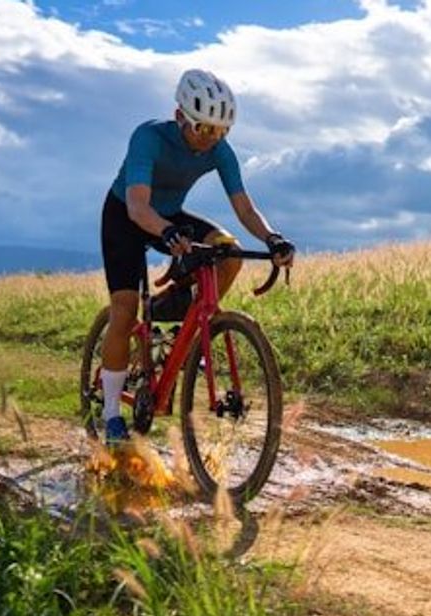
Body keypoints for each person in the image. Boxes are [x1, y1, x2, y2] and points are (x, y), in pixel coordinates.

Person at [99, 68, 295, 446]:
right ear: (180, 117)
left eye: (220, 132)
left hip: (170, 215)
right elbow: (139, 209)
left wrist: (272, 238)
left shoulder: (220, 151)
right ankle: (110, 415)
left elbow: (244, 207)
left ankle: (185, 331)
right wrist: (166, 231)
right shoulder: (148, 138)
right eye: (203, 129)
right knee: (124, 312)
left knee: (229, 250)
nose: (211, 139)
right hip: (126, 215)